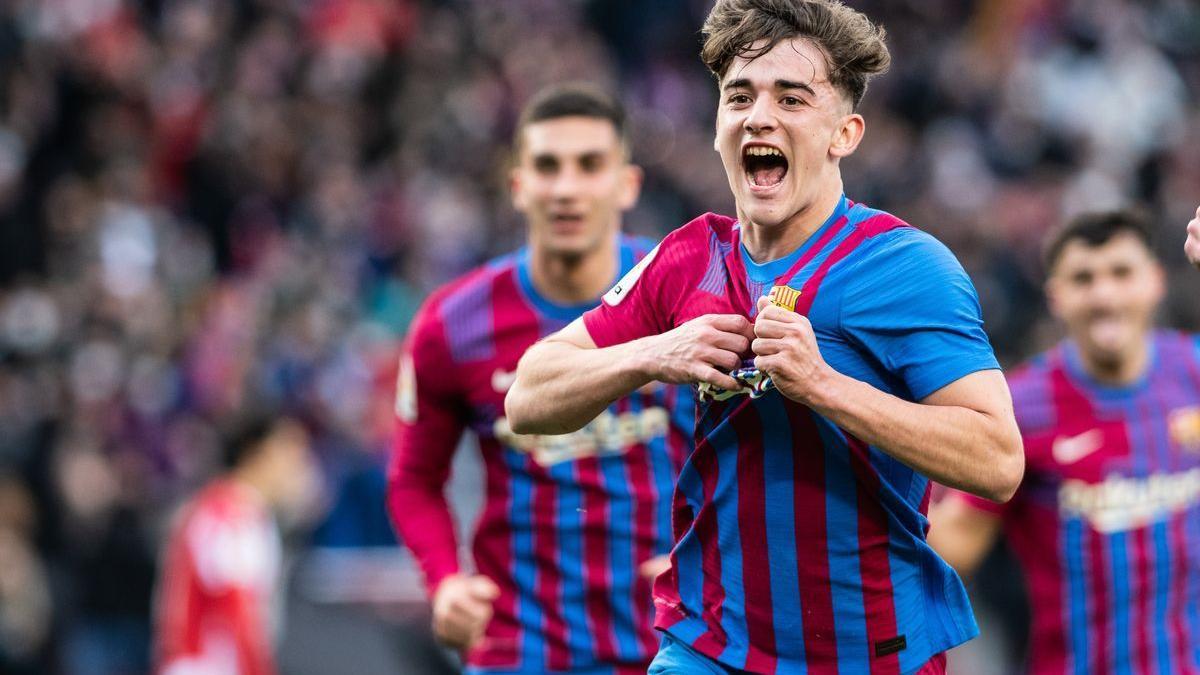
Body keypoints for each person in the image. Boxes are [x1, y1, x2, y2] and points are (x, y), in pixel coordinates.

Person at [505, 1, 1026, 673]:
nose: (759, 116)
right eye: (739, 96)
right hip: (708, 645)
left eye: (792, 98)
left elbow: (998, 459)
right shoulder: (689, 256)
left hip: (868, 653)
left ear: (844, 133)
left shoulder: (906, 267)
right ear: (719, 124)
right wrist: (654, 353)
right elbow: (528, 394)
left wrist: (824, 387)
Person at [387, 84, 692, 674]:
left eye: (590, 165)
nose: (567, 188)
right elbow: (413, 480)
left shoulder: (688, 294)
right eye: (548, 167)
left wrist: (720, 557)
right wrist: (444, 581)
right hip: (521, 651)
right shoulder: (452, 324)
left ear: (627, 184)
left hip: (677, 648)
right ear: (519, 187)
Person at [930, 207, 1200, 674]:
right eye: (1083, 279)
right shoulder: (1019, 407)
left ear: (1155, 281)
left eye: (1121, 273)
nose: (1104, 295)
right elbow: (954, 545)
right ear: (1055, 296)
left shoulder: (1194, 368)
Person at [154, 413, 317, 675]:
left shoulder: (245, 513)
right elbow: (235, 608)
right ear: (258, 455)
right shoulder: (227, 516)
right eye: (291, 453)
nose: (299, 466)